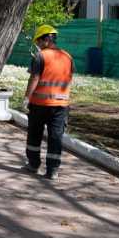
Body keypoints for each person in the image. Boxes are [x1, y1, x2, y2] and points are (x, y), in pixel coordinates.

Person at [22, 24, 74, 180]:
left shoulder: (40, 57)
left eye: (38, 42)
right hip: (61, 106)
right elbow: (69, 79)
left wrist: (26, 98)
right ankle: (52, 170)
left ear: (45, 40)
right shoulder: (67, 56)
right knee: (55, 137)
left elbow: (35, 78)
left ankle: (33, 164)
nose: (37, 45)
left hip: (39, 104)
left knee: (34, 134)